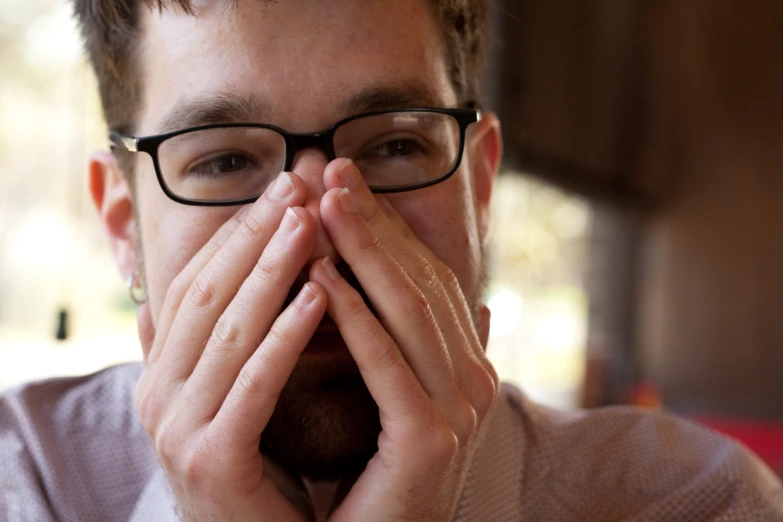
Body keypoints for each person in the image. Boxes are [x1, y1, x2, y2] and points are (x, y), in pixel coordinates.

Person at [1, 0, 781, 520]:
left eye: (395, 145)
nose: (311, 235)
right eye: (224, 161)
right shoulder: (26, 481)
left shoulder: (692, 502)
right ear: (123, 221)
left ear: (478, 188)